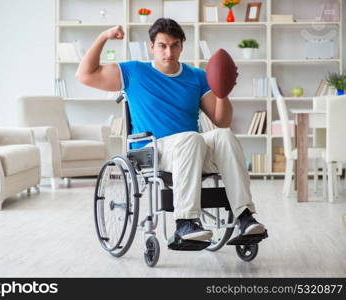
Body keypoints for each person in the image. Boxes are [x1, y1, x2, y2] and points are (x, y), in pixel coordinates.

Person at [76, 18, 266, 243]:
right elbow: (85, 75)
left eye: (175, 45)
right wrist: (104, 36)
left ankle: (244, 217)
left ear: (182, 46)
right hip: (153, 151)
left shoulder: (197, 76)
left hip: (191, 149)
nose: (169, 52)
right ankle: (185, 222)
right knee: (191, 138)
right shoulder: (134, 71)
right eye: (162, 46)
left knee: (223, 136)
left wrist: (223, 92)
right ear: (151, 46)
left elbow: (221, 121)